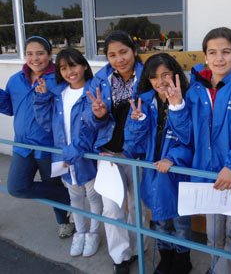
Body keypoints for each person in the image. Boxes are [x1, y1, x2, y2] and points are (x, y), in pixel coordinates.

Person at [167, 27, 231, 274]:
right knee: (213, 234)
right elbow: (187, 135)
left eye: (226, 52)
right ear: (205, 57)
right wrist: (177, 106)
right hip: (207, 178)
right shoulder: (196, 89)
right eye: (213, 52)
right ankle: (214, 268)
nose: (220, 58)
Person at [85, 30, 150, 274]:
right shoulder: (101, 79)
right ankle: (120, 258)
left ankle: (137, 251)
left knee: (138, 207)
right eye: (112, 55)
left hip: (139, 155)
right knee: (112, 208)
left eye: (123, 52)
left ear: (134, 50)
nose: (119, 59)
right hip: (109, 155)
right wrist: (98, 115)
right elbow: (91, 121)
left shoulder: (147, 76)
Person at [123, 53, 193, 274]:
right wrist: (138, 124)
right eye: (154, 77)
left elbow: (191, 139)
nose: (161, 82)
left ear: (175, 74)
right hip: (154, 172)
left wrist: (173, 157)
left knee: (180, 221)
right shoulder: (142, 102)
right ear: (148, 80)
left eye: (166, 75)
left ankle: (183, 259)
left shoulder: (188, 99)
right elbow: (133, 146)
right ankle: (166, 256)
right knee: (160, 219)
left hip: (177, 172)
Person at [0, 36, 74, 238]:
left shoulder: (59, 79)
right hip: (22, 146)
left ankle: (64, 222)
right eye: (30, 54)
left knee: (52, 185)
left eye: (40, 53)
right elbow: (8, 107)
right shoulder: (16, 80)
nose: (35, 58)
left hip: (48, 147)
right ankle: (71, 198)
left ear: (50, 55)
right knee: (16, 187)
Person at [32, 48, 103, 257]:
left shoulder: (92, 90)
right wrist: (42, 98)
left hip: (86, 156)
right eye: (63, 68)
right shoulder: (58, 93)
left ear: (84, 66)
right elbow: (47, 123)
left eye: (73, 65)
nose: (69, 71)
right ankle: (80, 232)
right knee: (75, 198)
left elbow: (93, 126)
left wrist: (76, 149)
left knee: (93, 196)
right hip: (64, 157)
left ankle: (93, 233)